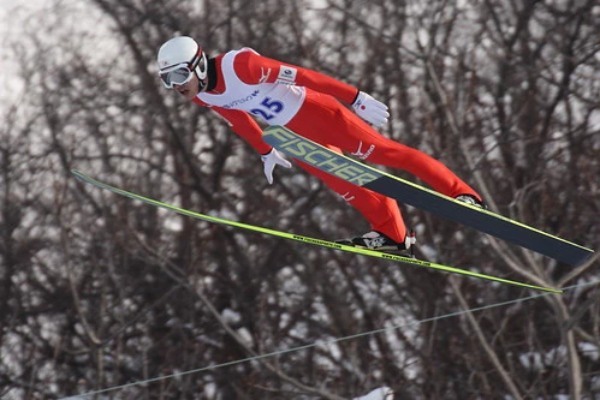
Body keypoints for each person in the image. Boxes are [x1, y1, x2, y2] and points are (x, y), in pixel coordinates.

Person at [156, 36, 484, 252]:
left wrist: (355, 97)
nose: (175, 87)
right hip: (295, 135)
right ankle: (393, 234)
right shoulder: (203, 96)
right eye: (167, 80)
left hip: (321, 115)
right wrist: (265, 150)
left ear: (198, 64)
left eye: (178, 76)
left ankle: (463, 194)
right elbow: (239, 117)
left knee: (387, 153)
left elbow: (304, 76)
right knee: (342, 181)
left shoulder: (242, 67)